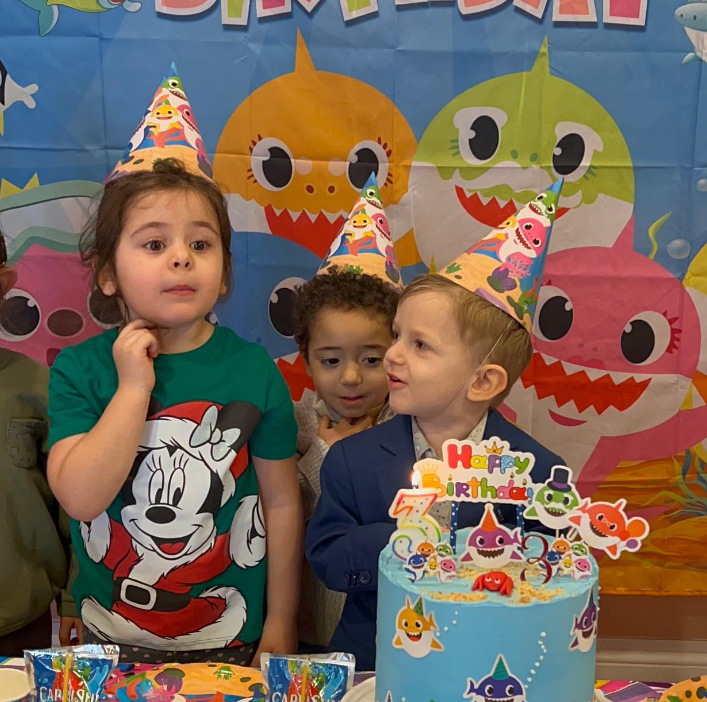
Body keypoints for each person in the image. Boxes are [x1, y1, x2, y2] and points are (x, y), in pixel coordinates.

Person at [47, 65, 301, 665]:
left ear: (224, 273)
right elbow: (81, 498)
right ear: (108, 273)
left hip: (229, 642)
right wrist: (133, 388)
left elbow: (281, 504)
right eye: (155, 244)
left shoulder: (254, 371)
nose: (181, 258)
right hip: (108, 643)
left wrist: (282, 621)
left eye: (201, 244)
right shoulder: (80, 371)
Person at [306, 182, 566, 669]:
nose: (392, 355)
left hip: (487, 666)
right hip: (376, 661)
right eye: (397, 336)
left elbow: (551, 577)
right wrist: (408, 538)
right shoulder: (352, 459)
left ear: (483, 381)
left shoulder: (537, 474)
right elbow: (329, 559)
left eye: (420, 345)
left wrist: (472, 547)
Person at [293, 175, 401, 651]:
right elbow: (285, 515)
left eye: (372, 359)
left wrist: (350, 460)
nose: (351, 378)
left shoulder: (407, 429)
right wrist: (324, 457)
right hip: (307, 622)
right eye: (331, 360)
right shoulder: (297, 424)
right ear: (306, 358)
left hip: (379, 629)